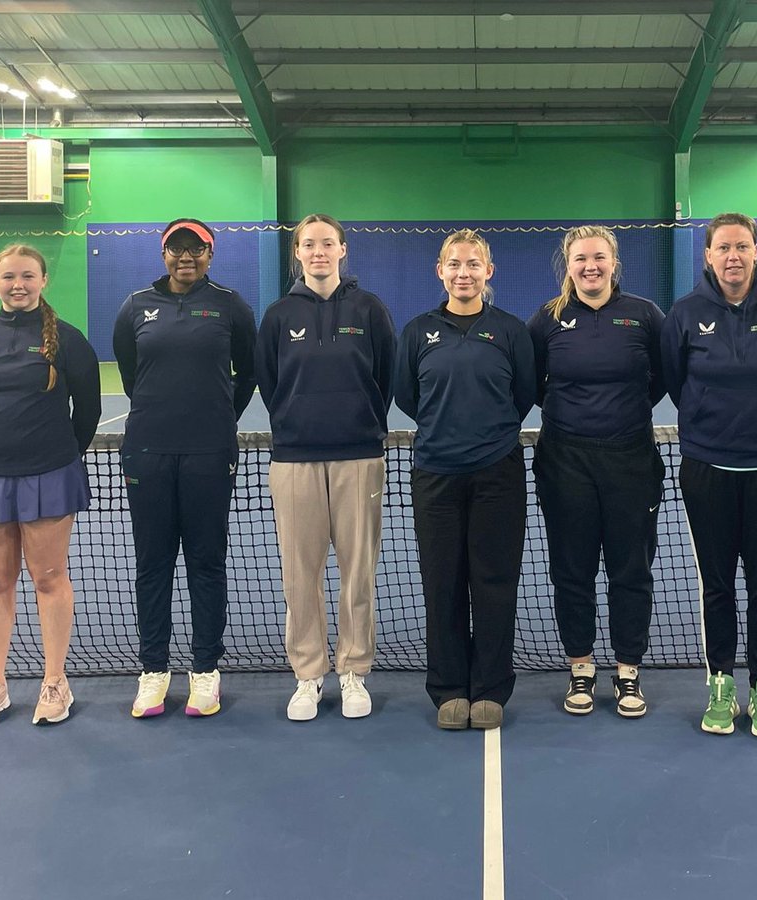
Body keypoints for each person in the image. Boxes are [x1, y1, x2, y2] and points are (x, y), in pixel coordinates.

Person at [661, 213, 757, 738]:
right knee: (717, 584)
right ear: (707, 255)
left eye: (741, 247)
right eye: (723, 248)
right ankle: (721, 682)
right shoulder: (683, 315)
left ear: (754, 251)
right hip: (706, 468)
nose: (733, 257)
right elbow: (676, 382)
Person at [0, 244, 101, 727]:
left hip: (50, 477)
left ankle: (55, 682)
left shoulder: (69, 341)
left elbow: (89, 410)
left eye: (28, 276)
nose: (18, 285)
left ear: (43, 281)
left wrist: (57, 457)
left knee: (49, 579)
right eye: (9, 277)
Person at [113, 218, 257, 718]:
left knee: (205, 561)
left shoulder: (230, 305)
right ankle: (153, 671)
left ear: (210, 254)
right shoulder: (135, 306)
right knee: (153, 564)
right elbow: (131, 372)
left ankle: (205, 672)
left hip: (209, 453)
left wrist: (218, 417)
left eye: (196, 248)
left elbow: (250, 371)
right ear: (163, 254)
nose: (186, 256)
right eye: (177, 248)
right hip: (147, 453)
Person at [256, 214, 396, 721]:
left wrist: (360, 424)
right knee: (300, 576)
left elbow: (386, 373)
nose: (319, 252)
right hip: (294, 460)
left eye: (327, 244)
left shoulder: (368, 308)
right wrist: (297, 423)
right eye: (309, 244)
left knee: (358, 573)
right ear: (298, 252)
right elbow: (269, 382)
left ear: (343, 250)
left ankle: (354, 670)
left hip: (359, 456)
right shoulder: (277, 315)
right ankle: (309, 675)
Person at [394, 229, 534, 731]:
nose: (464, 272)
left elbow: (523, 395)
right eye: (454, 264)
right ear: (441, 271)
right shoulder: (417, 331)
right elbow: (408, 397)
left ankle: (492, 687)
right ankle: (449, 688)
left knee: (494, 582)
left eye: (474, 264)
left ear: (488, 272)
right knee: (443, 582)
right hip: (435, 474)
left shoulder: (511, 331)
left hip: (498, 472)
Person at [526, 225, 665, 718]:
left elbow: (663, 379)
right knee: (573, 572)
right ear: (568, 264)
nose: (591, 266)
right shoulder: (547, 320)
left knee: (631, 571)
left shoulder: (645, 315)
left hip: (631, 462)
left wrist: (621, 418)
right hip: (565, 464)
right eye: (581, 258)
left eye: (599, 257)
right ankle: (580, 668)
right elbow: (532, 383)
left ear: (614, 261)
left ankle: (628, 671)